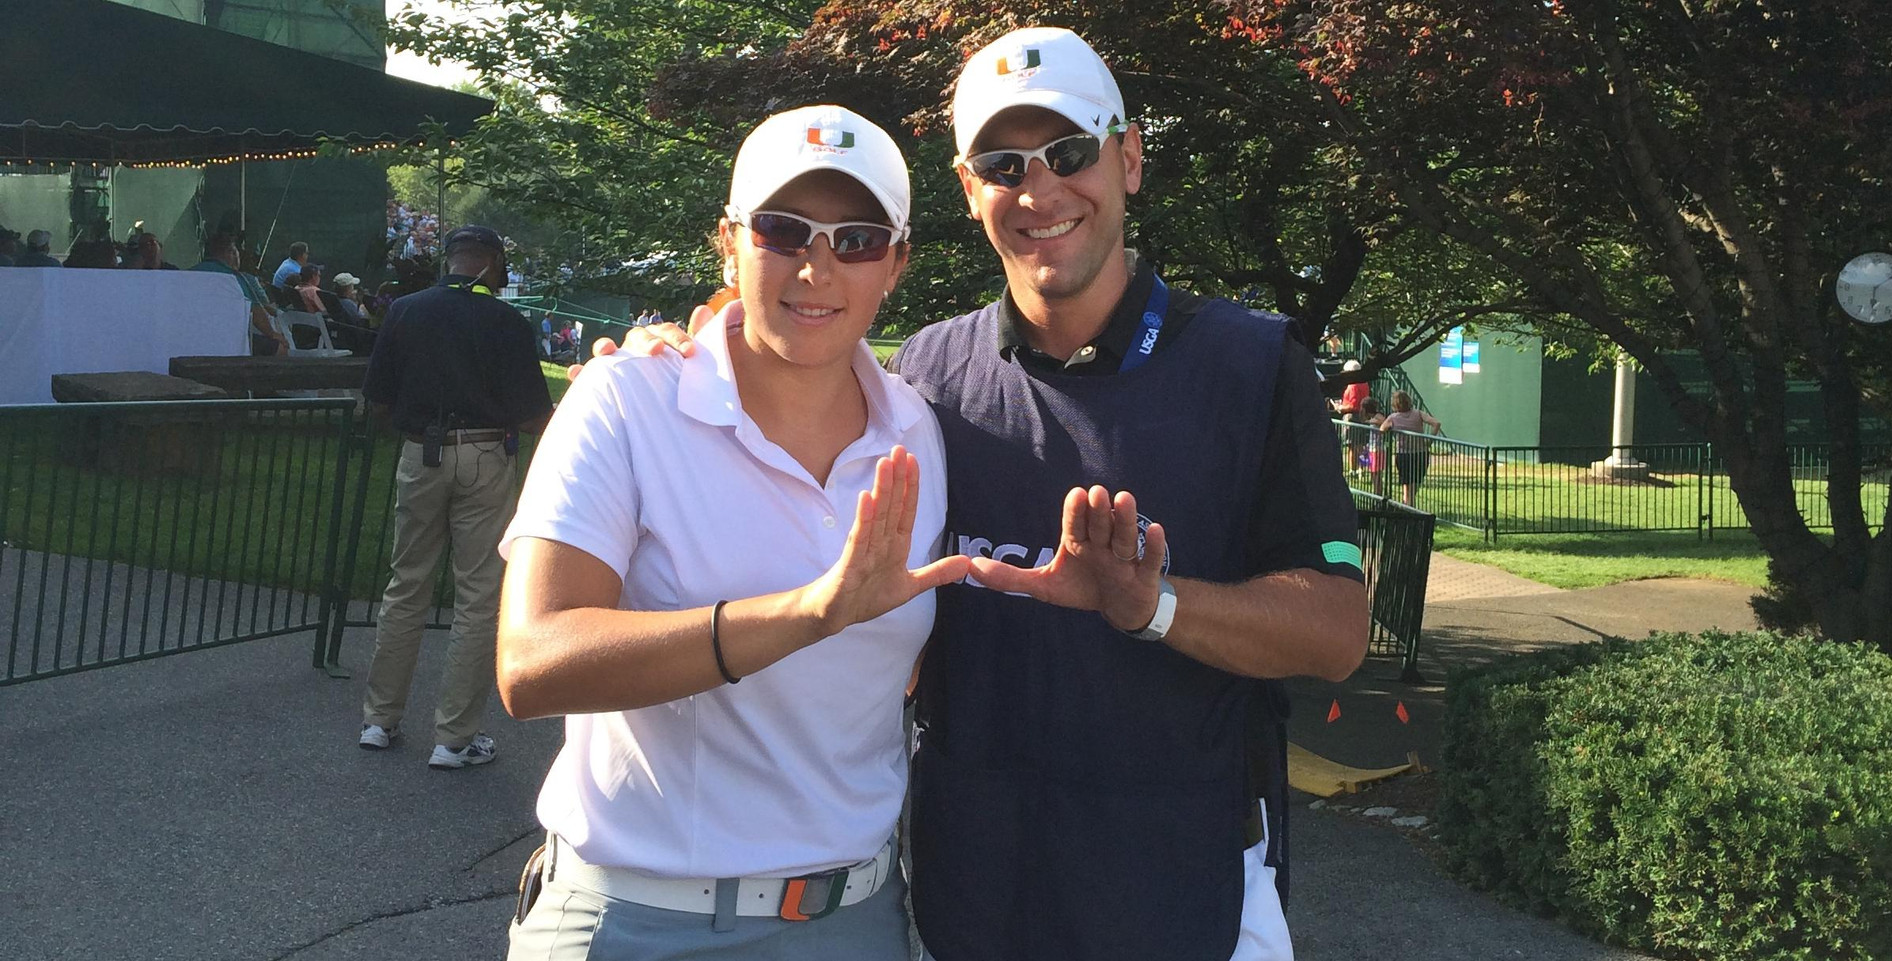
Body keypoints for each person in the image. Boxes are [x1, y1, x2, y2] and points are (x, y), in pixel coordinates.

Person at [598, 27, 1368, 961]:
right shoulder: (927, 375)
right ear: (970, 191)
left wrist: (1151, 605)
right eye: (1005, 164)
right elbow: (793, 369)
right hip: (973, 890)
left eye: (1072, 153)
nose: (1041, 192)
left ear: (1129, 160)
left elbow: (1335, 632)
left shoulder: (1251, 363)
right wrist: (704, 339)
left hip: (1182, 886)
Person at [497, 104, 963, 960]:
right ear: (730, 241)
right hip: (638, 919)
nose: (817, 268)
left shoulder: (917, 431)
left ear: (895, 263)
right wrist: (806, 612)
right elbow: (530, 664)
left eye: (855, 239)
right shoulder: (629, 399)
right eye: (784, 231)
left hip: (851, 917)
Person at [357, 224, 553, 769]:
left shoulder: (405, 311)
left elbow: (377, 399)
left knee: (406, 583)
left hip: (421, 452)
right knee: (477, 595)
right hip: (486, 455)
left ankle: (379, 719)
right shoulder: (506, 321)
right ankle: (454, 738)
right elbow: (534, 411)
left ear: (450, 259)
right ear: (492, 263)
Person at [190, 234, 287, 356]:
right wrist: (273, 334)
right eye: (236, 252)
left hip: (192, 336)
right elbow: (255, 311)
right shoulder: (233, 278)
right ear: (230, 252)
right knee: (280, 349)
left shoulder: (188, 273)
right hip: (228, 340)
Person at [1382, 389, 1441, 507]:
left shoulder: (1393, 417)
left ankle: (1408, 507)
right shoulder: (1418, 413)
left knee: (1407, 484)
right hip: (1420, 453)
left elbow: (1382, 429)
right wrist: (1429, 440)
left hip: (1404, 454)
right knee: (1414, 484)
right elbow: (1436, 423)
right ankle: (1408, 506)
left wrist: (1391, 429)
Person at [1333, 359, 1370, 474]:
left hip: (1352, 417)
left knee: (1352, 445)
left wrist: (1340, 408)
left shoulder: (1353, 385)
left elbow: (1353, 405)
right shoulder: (1365, 383)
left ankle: (1353, 470)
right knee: (1362, 444)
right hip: (1363, 416)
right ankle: (1363, 468)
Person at [1359, 395, 1388, 498]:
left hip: (1378, 449)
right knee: (1373, 473)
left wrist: (1370, 422)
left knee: (1377, 474)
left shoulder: (1377, 416)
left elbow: (1384, 421)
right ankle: (1376, 494)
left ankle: (1378, 495)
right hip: (1372, 448)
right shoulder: (1372, 417)